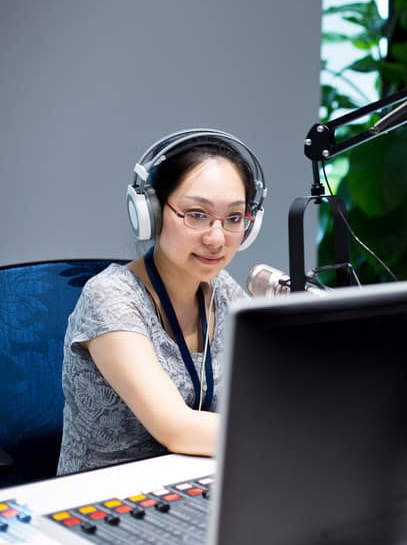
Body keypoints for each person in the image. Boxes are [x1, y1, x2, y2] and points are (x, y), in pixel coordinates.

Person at [57, 129, 266, 475]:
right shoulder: (109, 297)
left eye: (233, 218)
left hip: (196, 481)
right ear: (150, 213)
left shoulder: (222, 292)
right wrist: (305, 434)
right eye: (196, 215)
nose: (216, 238)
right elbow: (177, 428)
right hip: (106, 502)